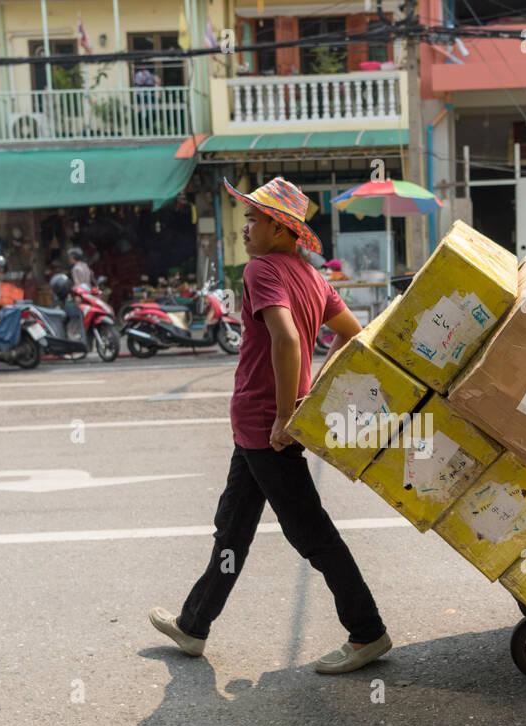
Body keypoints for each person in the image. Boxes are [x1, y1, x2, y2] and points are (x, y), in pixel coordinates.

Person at [148, 176, 392, 674]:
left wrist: (285, 413)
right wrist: (315, 388)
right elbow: (354, 334)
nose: (246, 226)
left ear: (281, 228)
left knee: (311, 533)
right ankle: (194, 625)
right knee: (232, 529)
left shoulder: (262, 269)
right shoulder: (311, 275)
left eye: (254, 218)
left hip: (267, 426)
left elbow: (285, 339)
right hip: (259, 427)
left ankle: (367, 632)